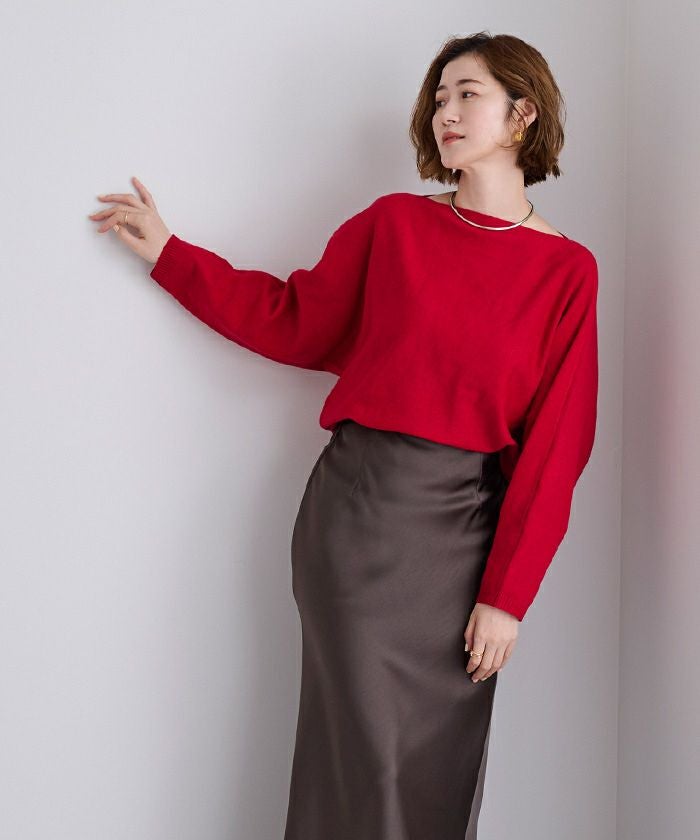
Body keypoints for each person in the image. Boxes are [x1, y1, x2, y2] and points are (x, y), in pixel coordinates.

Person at [87, 30, 599, 840]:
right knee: (366, 761)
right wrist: (171, 256)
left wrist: (506, 597)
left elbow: (556, 451)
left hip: (467, 541)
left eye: (467, 94)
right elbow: (291, 319)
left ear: (522, 113)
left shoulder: (567, 271)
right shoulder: (394, 226)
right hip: (360, 521)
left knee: (433, 765)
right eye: (439, 98)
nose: (445, 111)